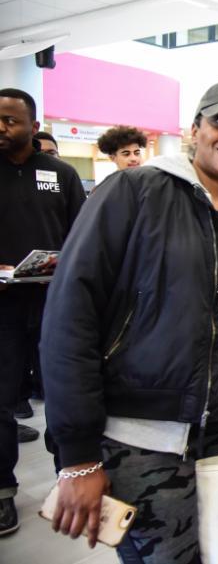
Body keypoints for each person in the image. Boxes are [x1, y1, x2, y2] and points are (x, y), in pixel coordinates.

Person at [41, 82, 218, 562]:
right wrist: (77, 458)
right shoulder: (135, 190)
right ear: (193, 130)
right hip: (139, 443)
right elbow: (70, 319)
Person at [0, 88, 85, 537]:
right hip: (3, 312)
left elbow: (83, 234)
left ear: (33, 127)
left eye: (10, 120)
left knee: (63, 396)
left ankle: (67, 480)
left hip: (55, 306)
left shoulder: (59, 174)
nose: (1, 127)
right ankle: (1, 492)